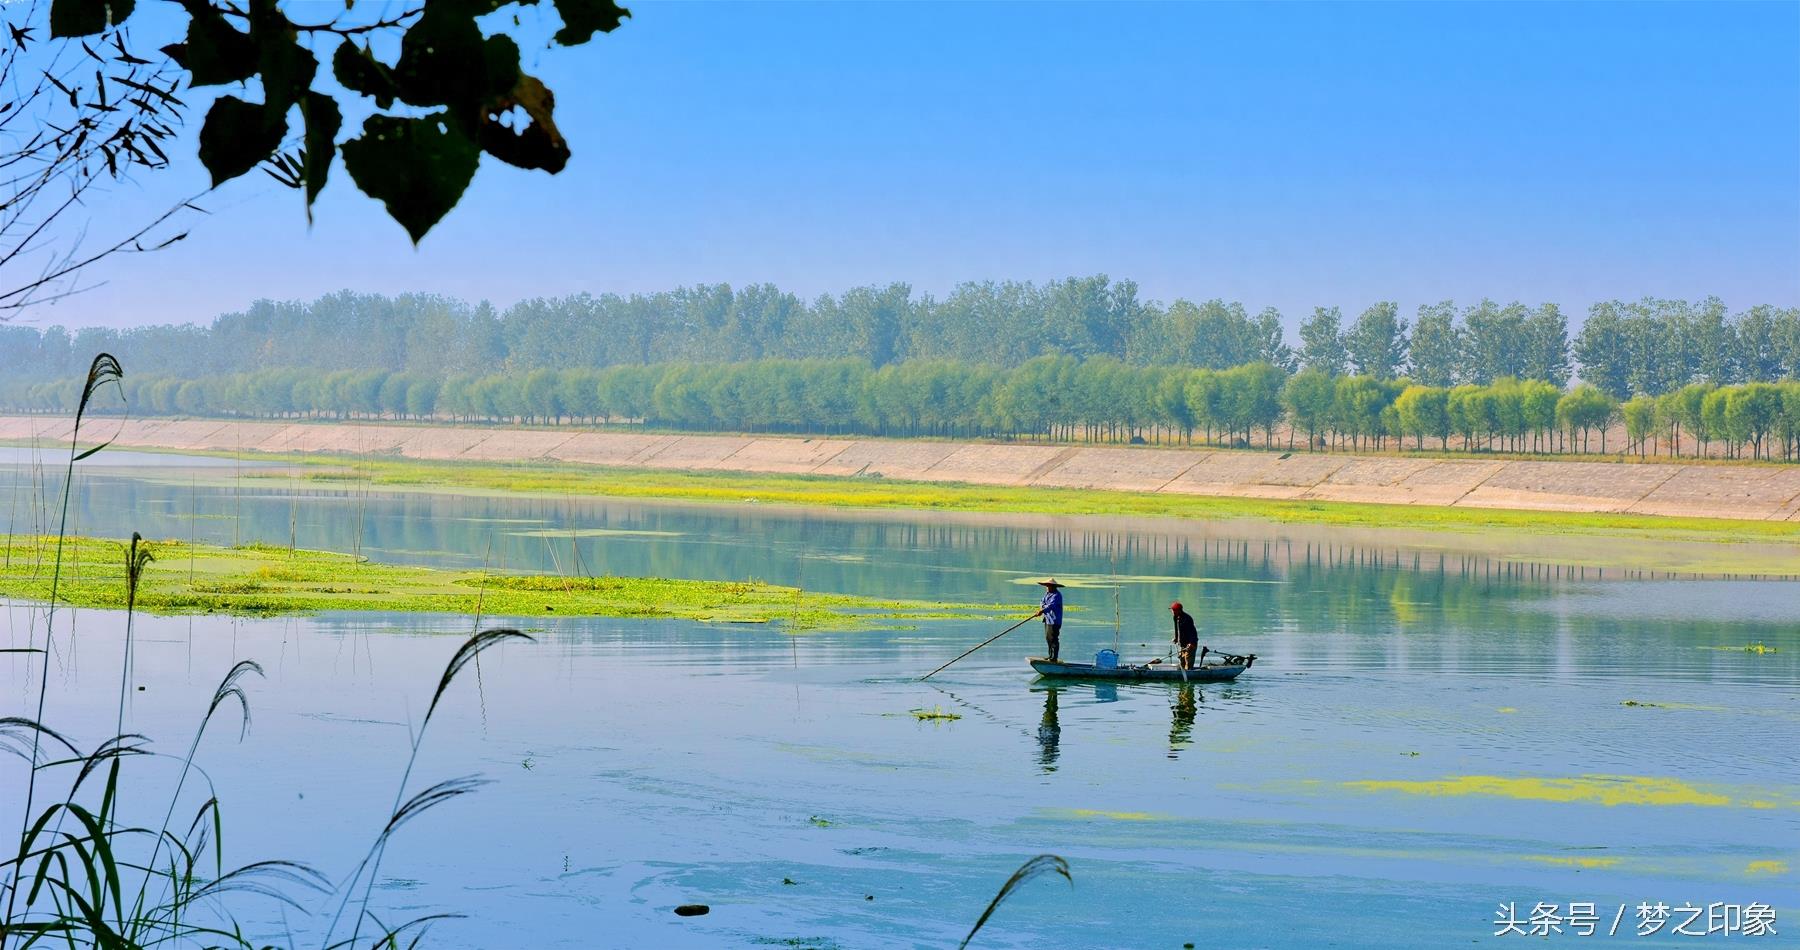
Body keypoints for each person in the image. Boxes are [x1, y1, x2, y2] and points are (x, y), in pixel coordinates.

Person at [1038, 579, 1065, 661]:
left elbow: (1051, 606)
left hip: (1054, 621)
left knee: (1054, 638)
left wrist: (1042, 610)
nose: (1047, 587)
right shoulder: (1047, 594)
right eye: (1046, 586)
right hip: (1047, 619)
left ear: (1053, 586)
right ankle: (1050, 655)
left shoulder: (1057, 595)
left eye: (1048, 585)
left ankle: (1054, 657)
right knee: (1048, 638)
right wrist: (1042, 608)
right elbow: (1042, 602)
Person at [1170, 601, 1199, 670]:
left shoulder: (1187, 619)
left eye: (1174, 610)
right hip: (1182, 644)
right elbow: (1176, 629)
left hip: (1190, 645)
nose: (1172, 611)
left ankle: (1189, 674)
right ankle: (1183, 674)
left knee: (1188, 663)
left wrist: (1191, 643)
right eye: (1172, 610)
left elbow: (1192, 632)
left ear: (1179, 610)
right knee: (1182, 662)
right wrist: (1176, 638)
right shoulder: (1175, 617)